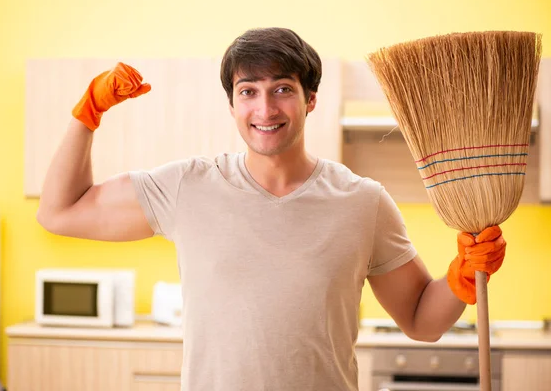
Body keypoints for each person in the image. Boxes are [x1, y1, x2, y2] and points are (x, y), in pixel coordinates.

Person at [37, 27, 506, 391]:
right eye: (249, 91)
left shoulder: (363, 202)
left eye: (282, 88)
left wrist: (462, 276)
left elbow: (422, 321)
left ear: (310, 99)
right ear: (232, 103)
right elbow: (60, 212)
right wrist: (87, 116)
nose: (266, 107)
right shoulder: (187, 187)